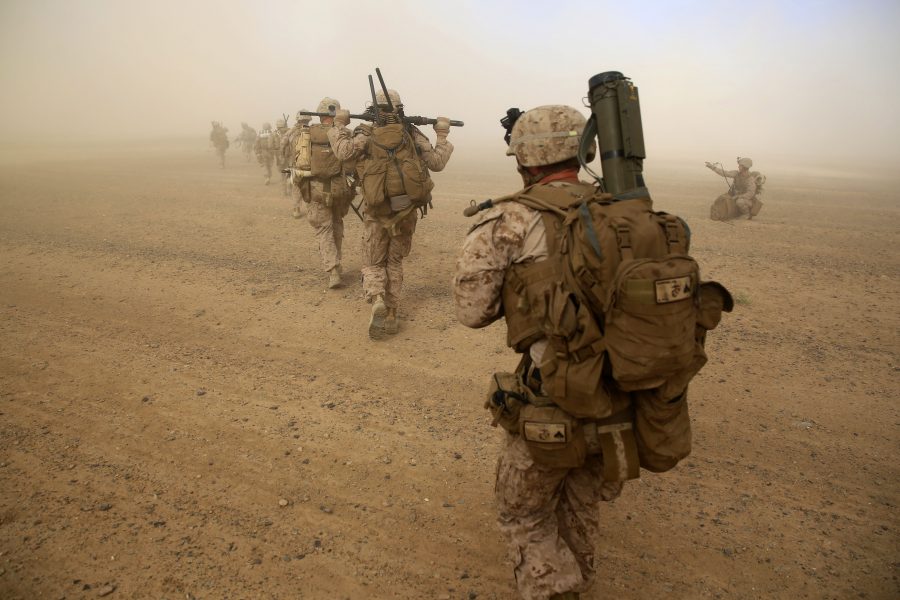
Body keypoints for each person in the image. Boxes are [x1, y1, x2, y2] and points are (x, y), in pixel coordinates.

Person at [452, 105, 621, 600]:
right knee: (581, 509)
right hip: (621, 395)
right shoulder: (624, 211)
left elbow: (472, 311)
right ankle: (579, 584)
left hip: (556, 397)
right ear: (584, 150)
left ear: (524, 159)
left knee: (524, 513)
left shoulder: (511, 220)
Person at [328, 88, 453, 339]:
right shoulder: (411, 133)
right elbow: (437, 163)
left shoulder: (365, 133)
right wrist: (442, 134)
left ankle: (376, 300)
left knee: (373, 261)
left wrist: (338, 125)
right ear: (398, 108)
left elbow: (343, 153)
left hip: (376, 210)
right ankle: (393, 313)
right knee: (394, 262)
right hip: (406, 211)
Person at [297, 97, 355, 289]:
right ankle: (337, 262)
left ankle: (333, 270)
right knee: (337, 225)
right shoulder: (344, 134)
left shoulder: (308, 133)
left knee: (324, 229)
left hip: (316, 189)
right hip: (339, 190)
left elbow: (297, 160)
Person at [282, 111, 312, 218]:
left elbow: (283, 144)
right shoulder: (312, 130)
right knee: (311, 185)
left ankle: (296, 208)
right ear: (309, 119)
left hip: (295, 164)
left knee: (296, 186)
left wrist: (286, 156)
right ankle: (311, 209)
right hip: (310, 164)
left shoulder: (291, 132)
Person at [273, 117, 291, 197]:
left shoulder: (274, 134)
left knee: (282, 174)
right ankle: (289, 189)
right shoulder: (290, 132)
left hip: (280, 157)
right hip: (289, 156)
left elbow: (270, 145)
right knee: (289, 173)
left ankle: (284, 192)